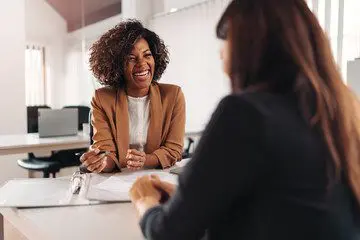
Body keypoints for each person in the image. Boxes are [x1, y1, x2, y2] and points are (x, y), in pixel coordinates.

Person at [129, 0, 360, 239]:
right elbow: (288, 207)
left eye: (227, 40)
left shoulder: (246, 113)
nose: (221, 53)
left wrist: (145, 201)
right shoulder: (340, 112)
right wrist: (192, 198)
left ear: (249, 46)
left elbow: (169, 233)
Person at [80, 20, 186, 173]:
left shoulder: (173, 96)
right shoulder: (102, 98)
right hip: (117, 181)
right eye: (131, 58)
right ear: (117, 65)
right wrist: (101, 162)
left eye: (147, 55)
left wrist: (146, 160)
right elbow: (106, 151)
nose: (142, 64)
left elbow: (173, 150)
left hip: (158, 177)